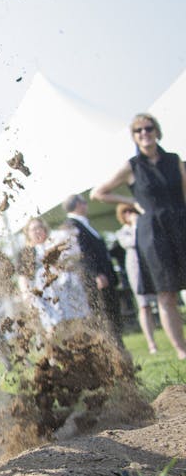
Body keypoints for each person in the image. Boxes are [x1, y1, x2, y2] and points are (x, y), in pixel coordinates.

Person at [91, 114, 186, 358]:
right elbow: (97, 193)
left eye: (148, 128)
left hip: (181, 225)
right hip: (153, 233)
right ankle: (181, 350)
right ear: (134, 136)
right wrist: (130, 200)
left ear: (157, 131)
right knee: (166, 293)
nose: (144, 133)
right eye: (138, 130)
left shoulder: (175, 160)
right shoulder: (132, 166)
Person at [61, 193, 124, 347]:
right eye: (84, 202)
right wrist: (96, 274)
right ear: (78, 205)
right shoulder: (72, 226)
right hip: (95, 277)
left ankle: (118, 345)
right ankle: (111, 347)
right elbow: (82, 254)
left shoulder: (84, 224)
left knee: (112, 312)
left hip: (104, 275)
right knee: (104, 313)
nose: (86, 205)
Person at [17, 217, 91, 332]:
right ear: (28, 233)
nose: (37, 231)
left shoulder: (56, 243)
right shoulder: (26, 253)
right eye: (33, 229)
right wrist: (26, 294)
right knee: (54, 326)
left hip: (66, 289)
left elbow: (72, 261)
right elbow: (23, 276)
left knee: (76, 324)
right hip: (45, 295)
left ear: (45, 229)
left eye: (39, 227)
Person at [114, 204, 162, 354]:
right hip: (136, 270)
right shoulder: (122, 233)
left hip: (152, 266)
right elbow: (132, 243)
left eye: (131, 211)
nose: (130, 214)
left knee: (165, 300)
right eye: (126, 212)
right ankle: (151, 343)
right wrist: (135, 225)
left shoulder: (147, 226)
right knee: (144, 305)